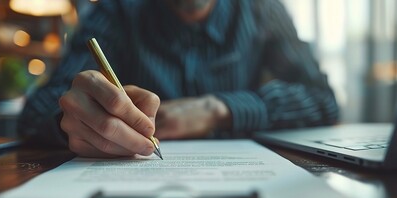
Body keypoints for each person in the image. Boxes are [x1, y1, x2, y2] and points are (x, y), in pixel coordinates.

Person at [18, 0, 339, 158]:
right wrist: (78, 121)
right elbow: (37, 112)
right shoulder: (117, 11)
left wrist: (218, 109)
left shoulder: (261, 8)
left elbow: (322, 99)